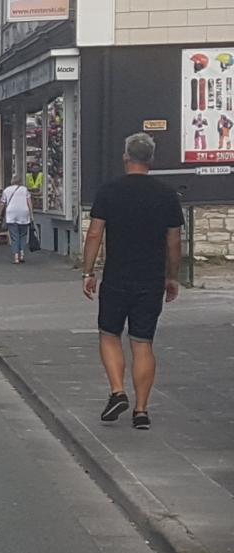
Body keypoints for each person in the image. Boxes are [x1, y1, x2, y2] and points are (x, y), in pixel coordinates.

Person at [81, 133, 183, 431]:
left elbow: (95, 233)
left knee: (109, 334)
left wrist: (88, 272)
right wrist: (172, 276)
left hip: (116, 277)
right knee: (143, 342)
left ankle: (117, 391)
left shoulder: (109, 191)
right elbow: (174, 241)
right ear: (151, 160)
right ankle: (141, 410)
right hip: (150, 279)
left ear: (126, 157)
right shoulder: (166, 194)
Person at [0, 176, 33, 264]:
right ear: (20, 182)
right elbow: (29, 202)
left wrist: (0, 215)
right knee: (23, 235)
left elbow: (2, 203)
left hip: (11, 213)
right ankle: (22, 254)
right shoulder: (25, 190)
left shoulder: (6, 190)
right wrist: (31, 214)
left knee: (14, 236)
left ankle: (16, 257)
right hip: (23, 213)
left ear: (12, 182)